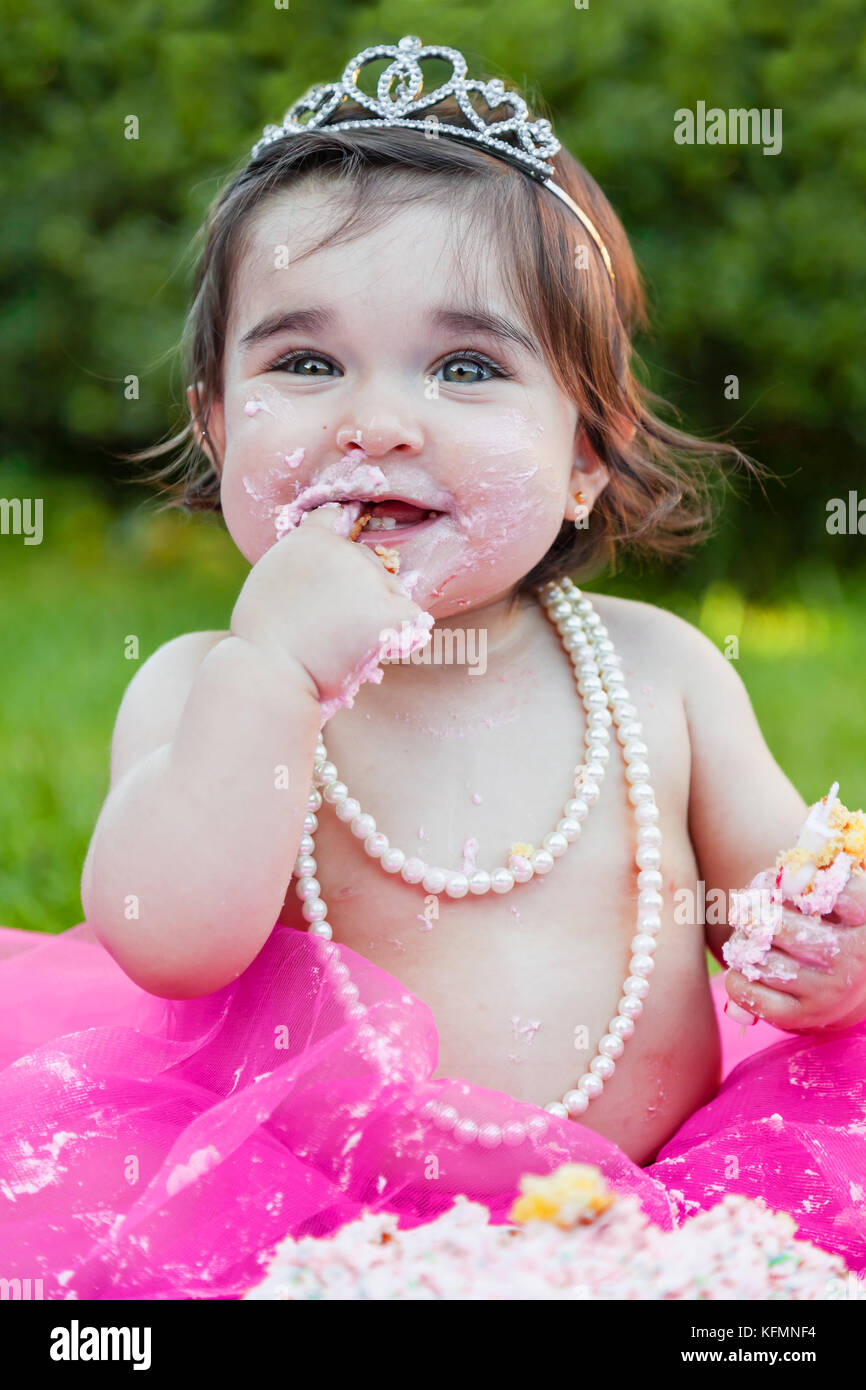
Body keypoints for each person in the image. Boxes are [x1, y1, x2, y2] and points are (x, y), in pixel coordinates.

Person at [1, 36, 864, 1299]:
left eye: (466, 368)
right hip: (313, 1227)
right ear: (217, 422)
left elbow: (780, 912)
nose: (377, 421)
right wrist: (273, 672)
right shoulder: (206, 686)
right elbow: (167, 941)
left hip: (670, 1202)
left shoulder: (659, 673)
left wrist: (828, 962)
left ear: (585, 452)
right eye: (304, 364)